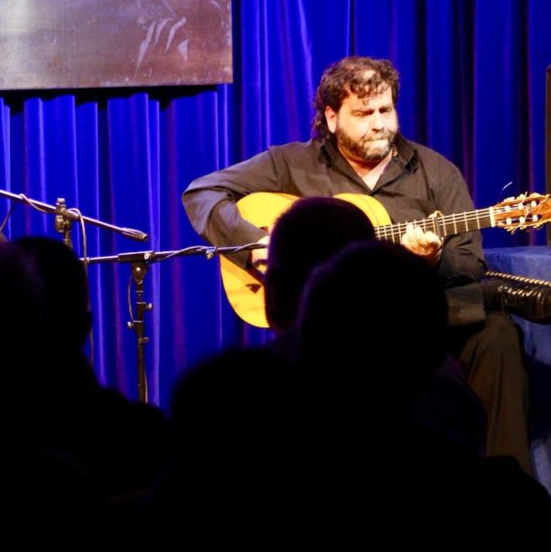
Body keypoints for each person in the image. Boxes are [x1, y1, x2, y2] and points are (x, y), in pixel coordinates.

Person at [182, 56, 533, 473]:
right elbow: (202, 192)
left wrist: (432, 259)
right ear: (331, 117)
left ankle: (504, 483)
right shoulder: (291, 163)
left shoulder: (435, 172)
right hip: (331, 332)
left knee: (496, 334)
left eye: (385, 110)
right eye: (363, 114)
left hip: (413, 325)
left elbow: (469, 260)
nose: (379, 123)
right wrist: (254, 243)